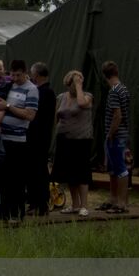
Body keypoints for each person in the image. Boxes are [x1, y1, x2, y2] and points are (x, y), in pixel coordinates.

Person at [0, 60, 39, 221]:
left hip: (18, 140)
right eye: (12, 75)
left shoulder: (31, 89)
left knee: (17, 179)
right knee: (3, 177)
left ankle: (17, 212)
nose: (15, 78)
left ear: (25, 72)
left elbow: (30, 115)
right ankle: (2, 212)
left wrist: (8, 106)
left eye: (18, 75)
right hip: (2, 138)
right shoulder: (8, 86)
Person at [52, 71, 93, 216]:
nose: (76, 87)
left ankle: (84, 205)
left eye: (79, 83)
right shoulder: (61, 97)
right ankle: (74, 204)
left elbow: (81, 103)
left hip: (81, 140)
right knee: (70, 173)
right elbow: (57, 116)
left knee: (82, 173)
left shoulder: (87, 96)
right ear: (68, 84)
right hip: (64, 139)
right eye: (74, 84)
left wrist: (79, 85)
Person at [99, 61, 132, 214]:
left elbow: (117, 115)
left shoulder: (113, 91)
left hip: (116, 135)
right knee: (113, 169)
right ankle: (113, 199)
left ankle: (121, 203)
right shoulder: (124, 89)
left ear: (104, 75)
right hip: (122, 133)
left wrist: (110, 134)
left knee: (120, 169)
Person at [26, 63, 58, 216]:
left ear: (37, 75)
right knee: (32, 170)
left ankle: (42, 203)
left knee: (39, 170)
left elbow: (39, 117)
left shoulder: (47, 93)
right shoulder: (39, 91)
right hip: (34, 136)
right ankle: (33, 202)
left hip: (40, 137)